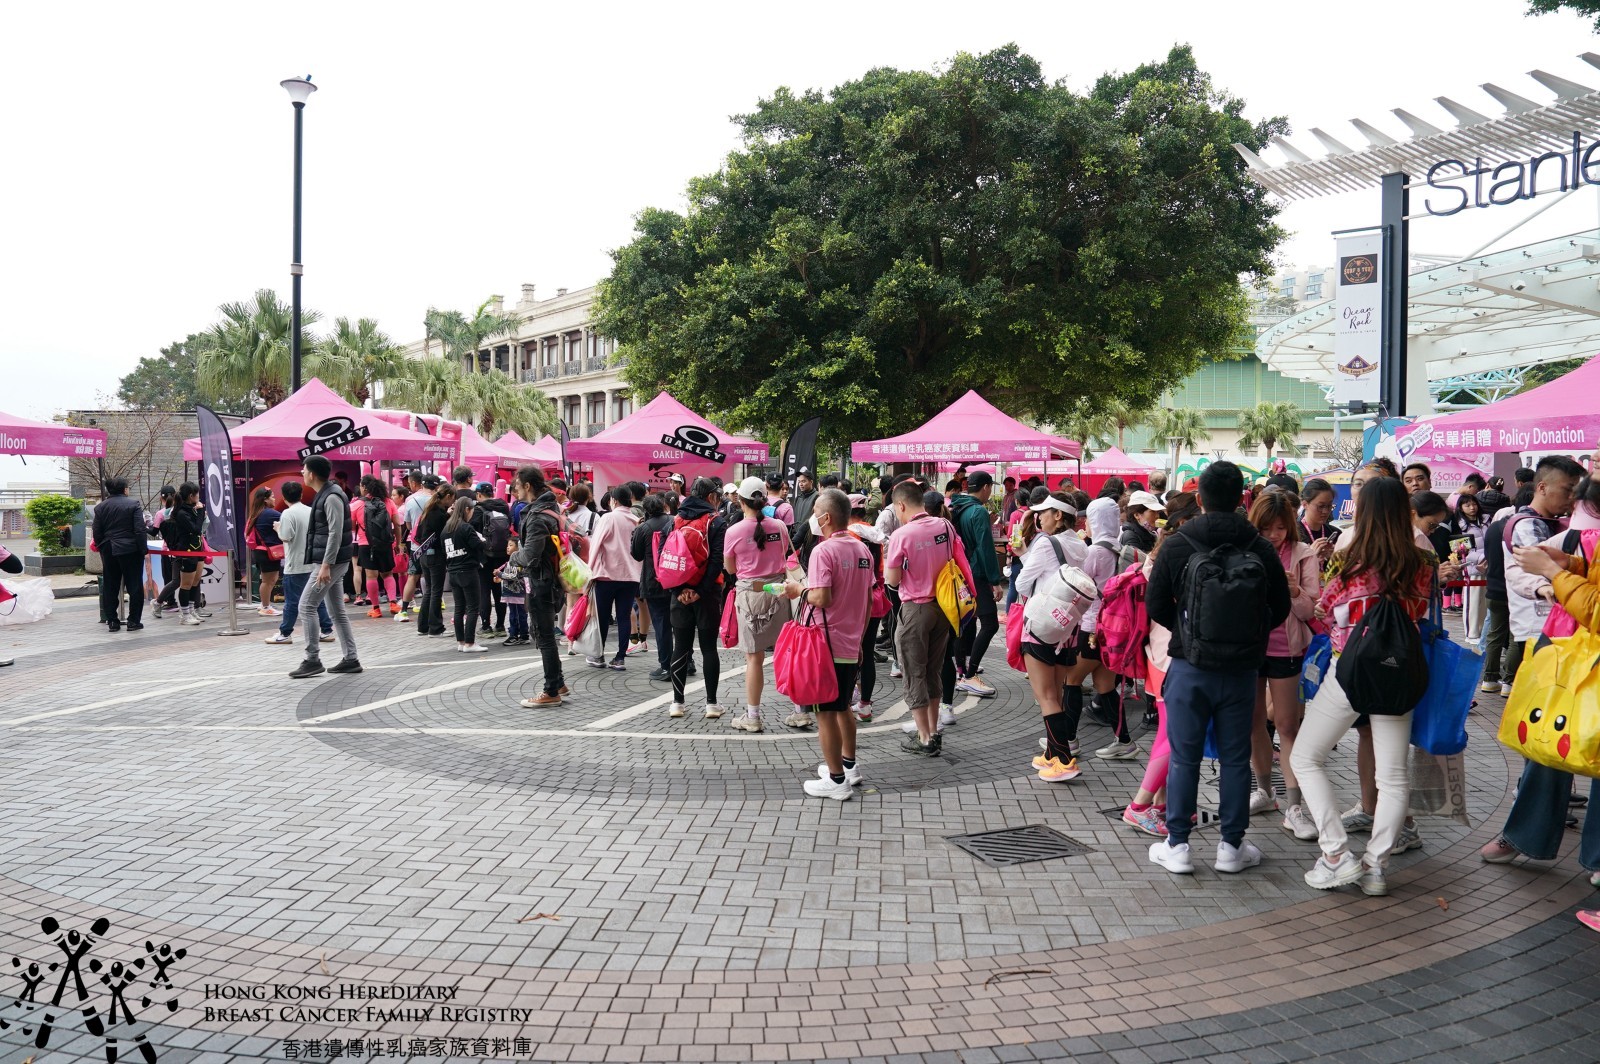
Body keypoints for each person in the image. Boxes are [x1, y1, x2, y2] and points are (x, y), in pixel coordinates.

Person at [1292, 476, 1434, 896]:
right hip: (1401, 670)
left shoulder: (1348, 560)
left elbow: (1323, 609)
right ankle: (1375, 868)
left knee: (1305, 757)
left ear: (1365, 512)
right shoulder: (1423, 562)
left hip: (1350, 669)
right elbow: (1422, 610)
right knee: (1393, 776)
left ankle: (1336, 854)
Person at [1146, 461, 1290, 876]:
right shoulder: (1259, 546)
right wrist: (1248, 635)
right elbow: (1280, 607)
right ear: (1242, 496)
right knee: (1235, 757)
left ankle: (1177, 845)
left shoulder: (1178, 543)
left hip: (1189, 667)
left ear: (1200, 498)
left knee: (1184, 757)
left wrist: (1189, 632)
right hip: (1243, 669)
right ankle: (1231, 846)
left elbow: (1156, 604)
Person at [1488, 469, 1600, 890]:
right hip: (1569, 648)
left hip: (1584, 647)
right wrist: (1569, 564)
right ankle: (1526, 835)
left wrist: (1556, 573)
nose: (1593, 467)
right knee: (1550, 738)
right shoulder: (1565, 531)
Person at [776, 488, 874, 800]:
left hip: (825, 644)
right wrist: (860, 638)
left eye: (815, 512)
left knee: (826, 713)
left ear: (826, 517)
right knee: (843, 706)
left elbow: (822, 597)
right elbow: (869, 600)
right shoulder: (863, 550)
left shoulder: (824, 551)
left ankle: (836, 780)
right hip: (850, 641)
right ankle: (849, 767)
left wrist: (797, 589)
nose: (812, 518)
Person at [1119, 492, 1199, 836]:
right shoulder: (1177, 554)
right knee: (1171, 734)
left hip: (1160, 651)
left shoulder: (1163, 551)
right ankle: (1138, 806)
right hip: (1170, 655)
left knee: (1169, 730)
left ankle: (1164, 804)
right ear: (1185, 522)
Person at [1247, 489, 1320, 838]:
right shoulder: (1245, 550)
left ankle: (1294, 807)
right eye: (1266, 528)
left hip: (1286, 649)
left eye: (1279, 527)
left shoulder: (1304, 554)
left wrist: (1294, 592)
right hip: (1250, 646)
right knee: (1253, 722)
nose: (1273, 535)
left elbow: (1310, 610)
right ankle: (1264, 791)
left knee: (1288, 726)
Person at [885, 480, 974, 756]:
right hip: (944, 608)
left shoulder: (902, 535)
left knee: (914, 673)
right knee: (934, 671)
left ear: (901, 505)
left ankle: (924, 738)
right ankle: (934, 731)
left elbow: (892, 580)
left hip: (916, 609)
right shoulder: (944, 525)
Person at [1013, 492, 1088, 783]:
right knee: (1056, 694)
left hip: (1041, 625)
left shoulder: (1045, 543)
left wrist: (1025, 557)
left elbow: (1022, 583)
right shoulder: (1079, 543)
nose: (1038, 516)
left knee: (1045, 696)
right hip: (1067, 629)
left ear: (1058, 515)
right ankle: (1051, 754)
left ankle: (1064, 761)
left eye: (1044, 512)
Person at [1500, 456, 1585, 695]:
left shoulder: (1549, 523)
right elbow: (1532, 569)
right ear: (1542, 487)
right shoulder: (1527, 524)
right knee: (1546, 698)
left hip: (1550, 625)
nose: (1572, 498)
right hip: (1539, 626)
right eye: (1568, 490)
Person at [721, 477, 792, 731]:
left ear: (741, 502)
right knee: (788, 651)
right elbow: (785, 555)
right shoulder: (780, 526)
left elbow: (730, 568)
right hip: (780, 593)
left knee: (754, 658)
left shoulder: (734, 531)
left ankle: (753, 716)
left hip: (750, 595)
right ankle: (801, 711)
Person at [288, 455, 360, 678]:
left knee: (306, 606)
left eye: (304, 470)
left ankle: (312, 659)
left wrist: (326, 565)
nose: (302, 473)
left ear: (312, 474)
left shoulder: (331, 496)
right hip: (332, 562)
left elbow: (335, 533)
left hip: (331, 562)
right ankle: (351, 659)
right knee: (337, 612)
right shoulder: (327, 493)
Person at [666, 478, 728, 720]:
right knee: (709, 648)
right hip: (708, 593)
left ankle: (677, 703)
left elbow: (664, 558)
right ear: (711, 497)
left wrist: (679, 590)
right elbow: (717, 561)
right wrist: (700, 590)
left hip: (679, 593)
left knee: (680, 647)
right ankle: (711, 704)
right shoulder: (716, 522)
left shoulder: (675, 521)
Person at [511, 466, 569, 707]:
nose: (514, 489)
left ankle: (551, 691)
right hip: (553, 579)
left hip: (541, 581)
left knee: (544, 636)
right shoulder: (552, 508)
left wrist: (514, 556)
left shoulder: (537, 517)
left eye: (516, 485)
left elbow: (530, 555)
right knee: (545, 635)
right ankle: (559, 682)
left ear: (527, 486)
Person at [949, 471, 1002, 698]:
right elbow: (985, 547)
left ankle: (961, 671)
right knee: (990, 624)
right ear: (986, 487)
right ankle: (969, 675)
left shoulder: (956, 506)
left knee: (966, 623)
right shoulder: (978, 511)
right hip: (977, 574)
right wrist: (995, 581)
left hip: (960, 573)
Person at [264, 481, 335, 647]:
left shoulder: (288, 514)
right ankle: (327, 630)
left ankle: (285, 633)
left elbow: (286, 536)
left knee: (292, 602)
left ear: (284, 496)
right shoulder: (311, 511)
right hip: (313, 563)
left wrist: (278, 528)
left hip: (295, 564)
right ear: (301, 494)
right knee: (316, 600)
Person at [587, 483, 643, 670]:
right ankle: (620, 658)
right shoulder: (635, 520)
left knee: (603, 617)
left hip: (607, 575)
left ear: (614, 500)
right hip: (631, 576)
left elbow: (596, 545)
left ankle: (599, 655)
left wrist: (589, 571)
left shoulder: (609, 518)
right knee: (624, 616)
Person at [845, 494, 888, 720]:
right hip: (875, 597)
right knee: (868, 652)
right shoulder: (874, 533)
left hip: (853, 601)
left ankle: (846, 700)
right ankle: (865, 704)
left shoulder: (848, 535)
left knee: (849, 653)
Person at [92, 476, 149, 632]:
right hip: (130, 549)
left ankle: (112, 621)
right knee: (134, 585)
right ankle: (133, 621)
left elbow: (97, 532)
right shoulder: (133, 504)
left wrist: (102, 546)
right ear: (125, 489)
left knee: (110, 585)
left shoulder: (101, 507)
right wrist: (143, 549)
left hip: (109, 549)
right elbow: (140, 530)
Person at [632, 493, 676, 680]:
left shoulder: (644, 528)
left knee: (662, 625)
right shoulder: (675, 521)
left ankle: (666, 666)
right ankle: (687, 662)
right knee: (682, 625)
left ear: (646, 510)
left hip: (654, 581)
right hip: (677, 579)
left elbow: (636, 555)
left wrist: (636, 531)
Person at [441, 495, 487, 653]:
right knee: (473, 608)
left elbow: (444, 551)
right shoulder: (466, 528)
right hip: (467, 570)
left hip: (453, 571)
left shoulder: (446, 528)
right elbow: (478, 545)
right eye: (471, 510)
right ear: (467, 509)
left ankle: (461, 641)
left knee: (459, 608)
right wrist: (483, 541)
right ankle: (470, 643)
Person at [353, 476, 401, 618]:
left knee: (371, 576)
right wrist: (398, 543)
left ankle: (376, 609)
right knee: (388, 574)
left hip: (366, 544)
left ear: (364, 487)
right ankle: (393, 603)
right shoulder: (388, 502)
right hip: (385, 543)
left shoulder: (357, 504)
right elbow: (397, 525)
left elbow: (351, 526)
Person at [413, 487, 453, 638]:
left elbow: (418, 534)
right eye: (452, 499)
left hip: (424, 554)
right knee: (436, 591)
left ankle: (423, 626)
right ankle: (436, 628)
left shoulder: (428, 511)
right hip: (436, 556)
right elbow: (443, 535)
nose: (452, 502)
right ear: (448, 496)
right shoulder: (440, 515)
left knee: (429, 591)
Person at [397, 472, 436, 621]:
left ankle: (404, 610)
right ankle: (431, 608)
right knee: (430, 577)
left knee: (412, 577)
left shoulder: (410, 500)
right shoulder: (436, 500)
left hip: (416, 545)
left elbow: (407, 525)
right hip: (433, 544)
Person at [475, 483, 512, 636]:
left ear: (479, 494)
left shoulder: (478, 510)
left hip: (484, 556)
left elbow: (473, 531)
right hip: (502, 555)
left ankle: (486, 627)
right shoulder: (503, 507)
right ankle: (501, 626)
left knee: (484, 590)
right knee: (498, 590)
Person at [1452, 492, 1490, 637]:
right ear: (1461, 508)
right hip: (1472, 567)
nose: (1472, 508)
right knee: (1472, 601)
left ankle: (1483, 632)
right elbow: (1461, 551)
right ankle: (1472, 633)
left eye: (1474, 504)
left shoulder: (1486, 520)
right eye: (1467, 505)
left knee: (1485, 602)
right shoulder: (1459, 525)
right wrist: (1480, 557)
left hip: (1489, 565)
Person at [245, 486, 282, 616]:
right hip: (268, 552)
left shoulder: (258, 513)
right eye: (272, 496)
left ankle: (264, 604)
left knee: (270, 579)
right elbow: (287, 520)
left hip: (262, 552)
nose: (275, 499)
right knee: (267, 581)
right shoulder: (270, 513)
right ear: (265, 499)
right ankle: (266, 607)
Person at [1297, 478, 1339, 565]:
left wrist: (1335, 558)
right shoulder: (1294, 534)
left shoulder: (1335, 534)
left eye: (1329, 506)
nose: (1326, 511)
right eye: (1321, 506)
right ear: (1305, 504)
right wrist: (1309, 557)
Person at [1120, 490, 1164, 554]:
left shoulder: (1148, 532)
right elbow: (1139, 559)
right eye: (1153, 512)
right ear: (1137, 515)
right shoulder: (1130, 536)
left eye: (1158, 512)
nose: (1157, 516)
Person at [789, 468, 818, 545]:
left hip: (810, 538)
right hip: (796, 536)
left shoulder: (817, 497)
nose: (801, 484)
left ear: (811, 482)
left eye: (803, 481)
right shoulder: (798, 498)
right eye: (799, 482)